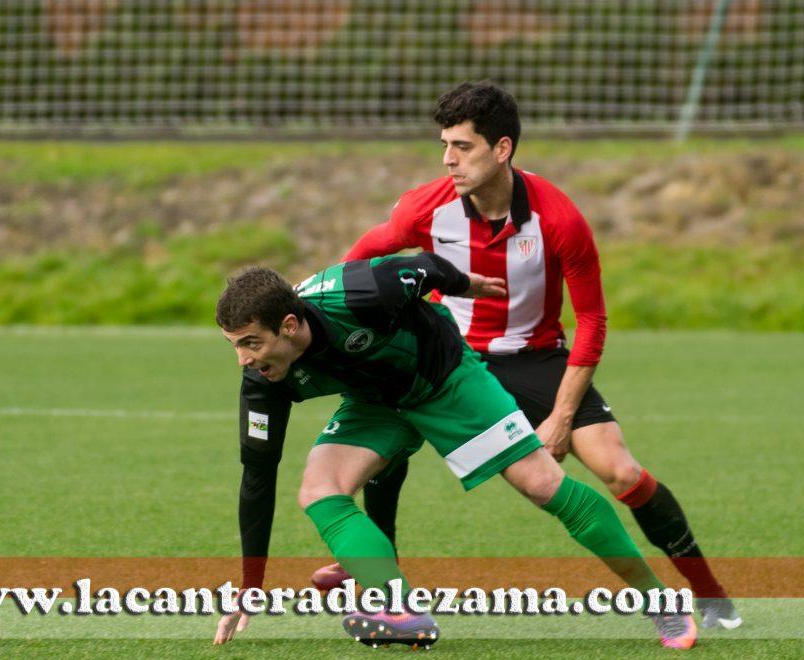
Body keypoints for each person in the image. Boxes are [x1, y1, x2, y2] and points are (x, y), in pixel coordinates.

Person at [310, 81, 740, 630]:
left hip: (536, 358)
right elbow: (358, 270)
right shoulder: (425, 208)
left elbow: (593, 321)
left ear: (503, 149)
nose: (448, 160)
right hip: (448, 360)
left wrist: (560, 417)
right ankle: (377, 574)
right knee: (382, 445)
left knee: (621, 471)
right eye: (444, 145)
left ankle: (706, 591)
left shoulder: (559, 219)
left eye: (462, 147)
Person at [213, 254, 697, 649]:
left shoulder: (359, 291)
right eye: (235, 346)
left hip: (446, 378)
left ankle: (660, 602)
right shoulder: (261, 381)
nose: (244, 359)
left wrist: (467, 284)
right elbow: (257, 477)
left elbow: (424, 266)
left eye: (251, 343)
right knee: (318, 490)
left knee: (542, 484)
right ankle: (398, 605)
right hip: (376, 401)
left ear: (291, 325)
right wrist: (251, 585)